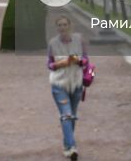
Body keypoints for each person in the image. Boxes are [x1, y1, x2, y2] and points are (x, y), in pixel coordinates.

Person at [48, 12, 89, 160]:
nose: (62, 27)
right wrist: (60, 64)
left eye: (65, 24)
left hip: (76, 84)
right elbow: (50, 65)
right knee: (66, 115)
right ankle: (72, 147)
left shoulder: (79, 41)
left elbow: (86, 60)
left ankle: (66, 145)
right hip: (59, 84)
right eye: (60, 25)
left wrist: (78, 61)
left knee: (71, 116)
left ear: (70, 26)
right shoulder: (53, 43)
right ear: (57, 28)